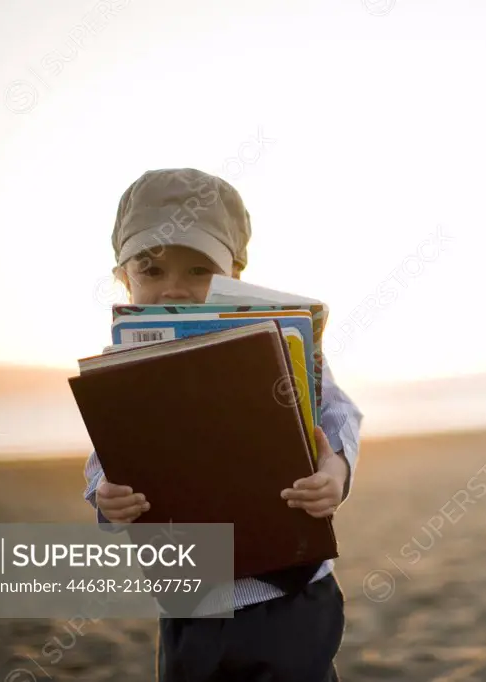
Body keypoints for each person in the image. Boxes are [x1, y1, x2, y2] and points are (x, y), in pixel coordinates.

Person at [81, 168, 363, 681]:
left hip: (290, 591)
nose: (176, 288)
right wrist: (104, 491)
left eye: (199, 270)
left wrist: (335, 474)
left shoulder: (278, 339)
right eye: (152, 270)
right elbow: (107, 450)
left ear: (236, 270)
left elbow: (339, 415)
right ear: (123, 276)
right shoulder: (123, 364)